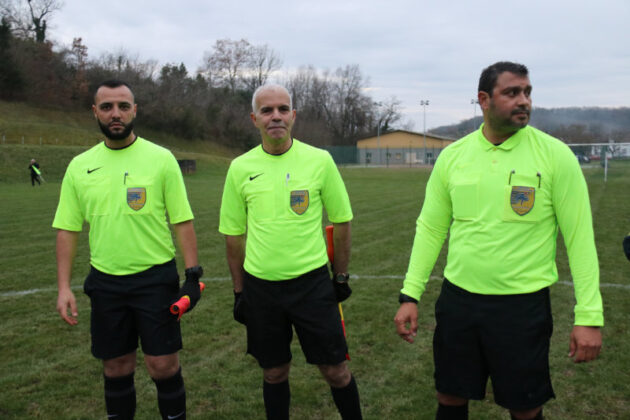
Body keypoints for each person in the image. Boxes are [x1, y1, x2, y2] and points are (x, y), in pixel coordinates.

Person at [394, 62, 603, 420]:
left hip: (522, 308)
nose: (524, 101)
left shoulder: (555, 156)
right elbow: (430, 228)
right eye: (512, 92)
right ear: (484, 99)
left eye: (527, 92)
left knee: (524, 407)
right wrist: (410, 295)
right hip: (458, 302)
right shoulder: (453, 157)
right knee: (450, 396)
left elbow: (580, 239)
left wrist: (589, 315)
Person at [53, 80, 203, 420]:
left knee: (162, 364)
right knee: (116, 366)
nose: (115, 113)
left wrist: (193, 277)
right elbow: (67, 229)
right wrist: (63, 287)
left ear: (135, 110)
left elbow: (182, 221)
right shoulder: (80, 166)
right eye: (107, 107)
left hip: (155, 280)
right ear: (95, 112)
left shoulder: (161, 159)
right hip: (106, 282)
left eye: (123, 106)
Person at [219, 84, 362, 419]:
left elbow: (342, 222)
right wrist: (240, 291)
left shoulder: (320, 161)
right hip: (261, 289)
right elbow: (233, 236)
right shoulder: (240, 168)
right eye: (267, 111)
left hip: (312, 285)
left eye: (283, 109)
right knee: (274, 372)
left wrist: (339, 277)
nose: (276, 117)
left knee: (336, 371)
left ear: (293, 116)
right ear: (254, 119)